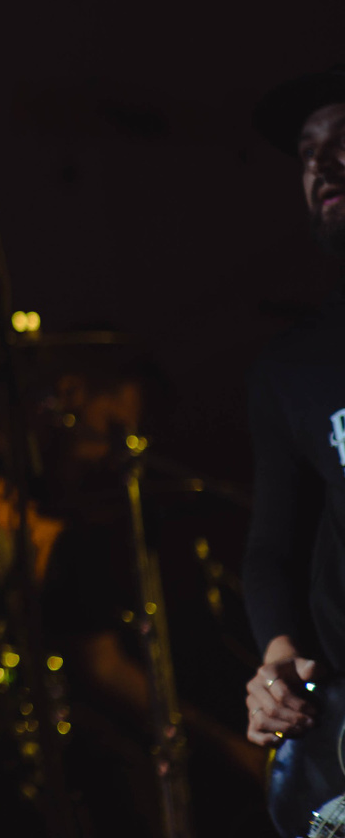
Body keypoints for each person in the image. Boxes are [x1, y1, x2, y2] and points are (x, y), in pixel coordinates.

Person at [241, 63, 345, 752]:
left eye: (343, 141)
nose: (320, 164)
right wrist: (278, 661)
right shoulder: (293, 367)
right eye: (308, 152)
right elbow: (273, 547)